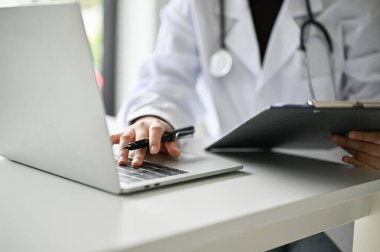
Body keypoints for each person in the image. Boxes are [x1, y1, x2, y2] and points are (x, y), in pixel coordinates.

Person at [112, 0, 380, 251]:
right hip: (236, 191)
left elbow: (373, 100)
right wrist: (153, 117)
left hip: (329, 195)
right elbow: (166, 79)